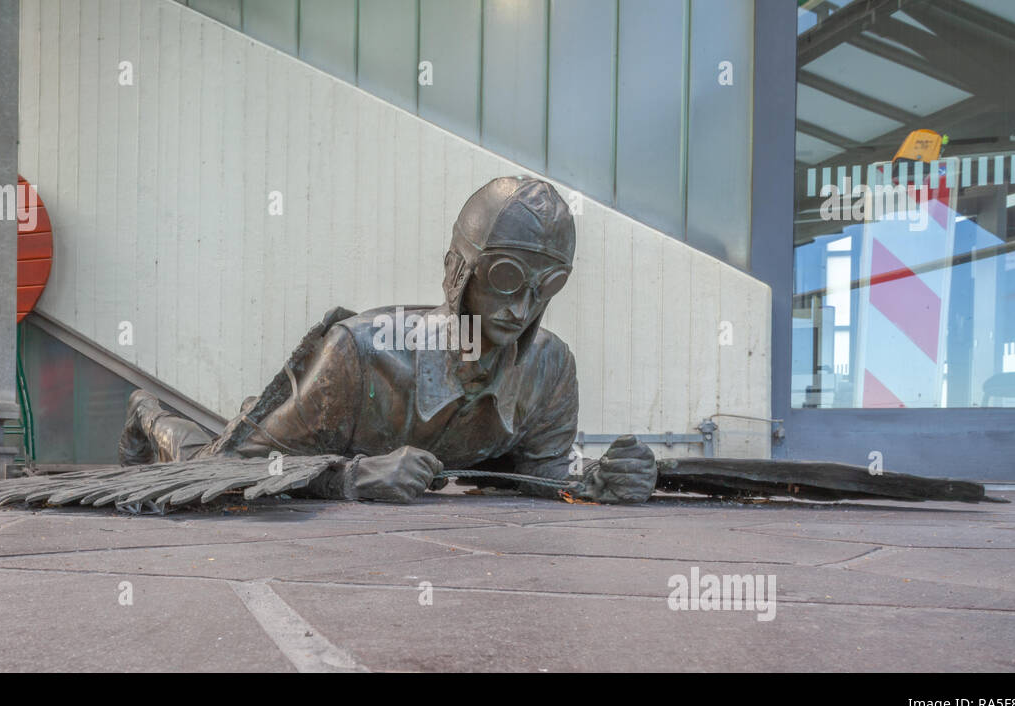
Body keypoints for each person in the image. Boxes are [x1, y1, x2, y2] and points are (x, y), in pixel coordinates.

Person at [118, 177, 658, 504]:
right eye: (505, 278)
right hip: (283, 437)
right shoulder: (361, 352)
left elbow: (538, 474)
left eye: (546, 286)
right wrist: (352, 476)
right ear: (460, 271)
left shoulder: (551, 369)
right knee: (192, 461)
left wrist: (597, 479)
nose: (522, 308)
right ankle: (150, 413)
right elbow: (241, 467)